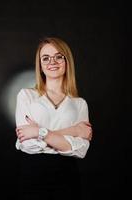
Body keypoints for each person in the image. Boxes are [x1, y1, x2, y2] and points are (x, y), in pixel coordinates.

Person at [15, 37, 93, 200]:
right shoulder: (26, 95)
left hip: (67, 176)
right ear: (40, 65)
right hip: (33, 175)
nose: (52, 62)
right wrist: (73, 131)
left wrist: (38, 132)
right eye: (46, 58)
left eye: (58, 56)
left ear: (67, 61)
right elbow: (28, 144)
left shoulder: (79, 104)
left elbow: (80, 150)